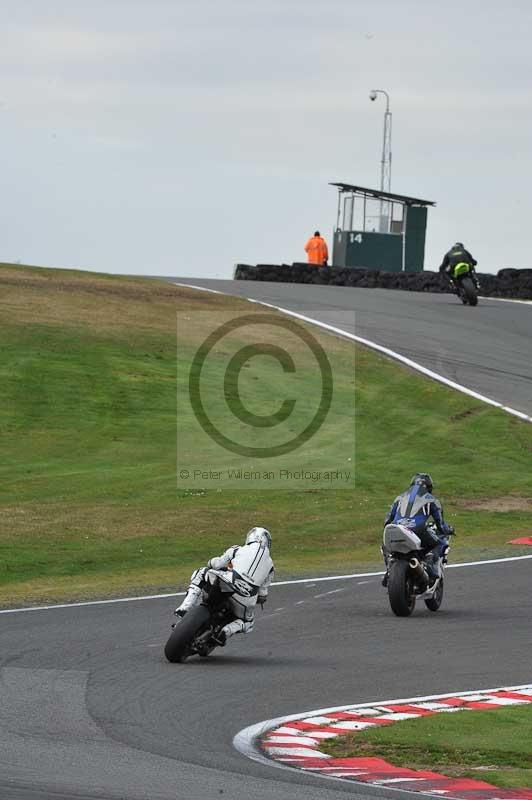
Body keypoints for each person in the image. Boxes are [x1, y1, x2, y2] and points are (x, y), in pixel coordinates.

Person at [174, 527, 274, 645]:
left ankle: (185, 607)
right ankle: (227, 630)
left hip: (227, 583)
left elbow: (216, 564)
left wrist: (211, 562)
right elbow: (263, 595)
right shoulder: (271, 566)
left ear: (250, 537)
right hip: (245, 600)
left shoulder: (237, 549)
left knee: (201, 572)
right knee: (248, 623)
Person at [381, 473, 454, 586]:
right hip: (418, 529)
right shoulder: (432, 500)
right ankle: (430, 565)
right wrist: (449, 529)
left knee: (385, 546)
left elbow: (387, 520)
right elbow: (440, 525)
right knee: (440, 543)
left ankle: (390, 569)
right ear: (429, 487)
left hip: (396, 528)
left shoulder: (399, 497)